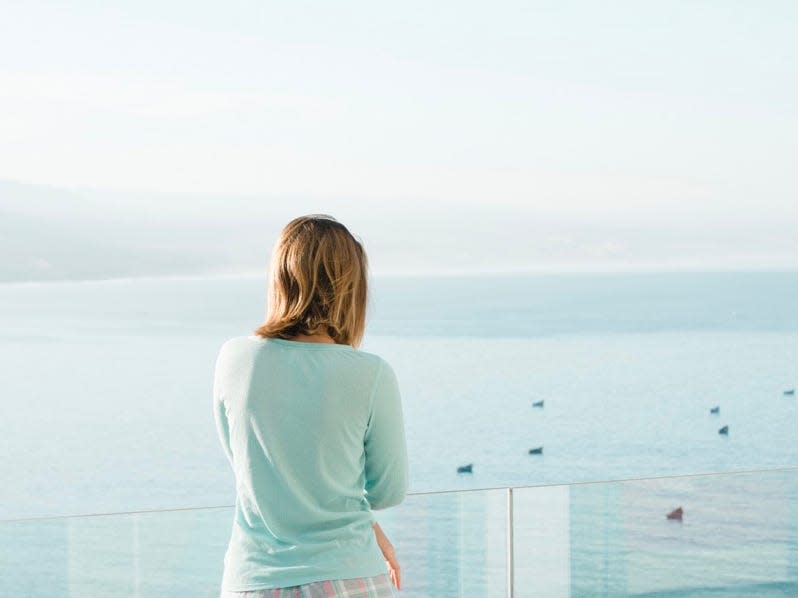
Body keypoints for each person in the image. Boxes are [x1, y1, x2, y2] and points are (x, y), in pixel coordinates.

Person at [213, 215, 409, 598]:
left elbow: (250, 467)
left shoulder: (235, 359)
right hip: (349, 578)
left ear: (280, 278)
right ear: (351, 287)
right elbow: (388, 491)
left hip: (254, 580)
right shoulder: (370, 374)